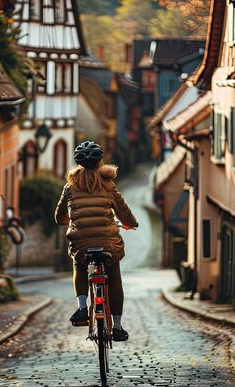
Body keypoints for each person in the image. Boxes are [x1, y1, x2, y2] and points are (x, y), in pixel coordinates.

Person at [54, 141, 138, 342]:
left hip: (81, 244)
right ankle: (117, 327)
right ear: (100, 162)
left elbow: (60, 218)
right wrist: (131, 223)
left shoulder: (70, 187)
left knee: (80, 264)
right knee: (114, 277)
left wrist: (69, 220)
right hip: (108, 243)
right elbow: (122, 210)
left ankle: (82, 308)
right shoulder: (108, 184)